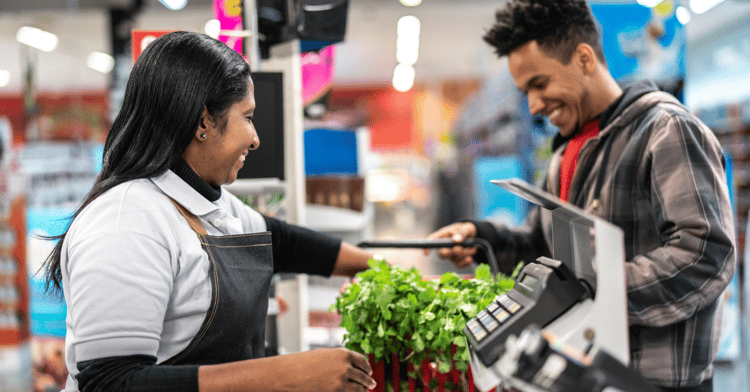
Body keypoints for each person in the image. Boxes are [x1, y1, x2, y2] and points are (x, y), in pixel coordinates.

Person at [42, 31, 377, 392]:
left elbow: (280, 242)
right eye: (247, 117)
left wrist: (376, 269)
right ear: (204, 121)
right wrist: (286, 375)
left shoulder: (207, 203)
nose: (255, 138)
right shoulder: (125, 223)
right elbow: (110, 383)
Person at [425, 1, 735, 391]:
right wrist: (483, 237)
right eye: (526, 92)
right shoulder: (564, 154)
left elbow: (706, 256)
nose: (535, 105)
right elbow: (542, 245)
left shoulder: (665, 130)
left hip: (655, 381)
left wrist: (595, 291)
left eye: (541, 84)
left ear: (584, 58)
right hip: (586, 376)